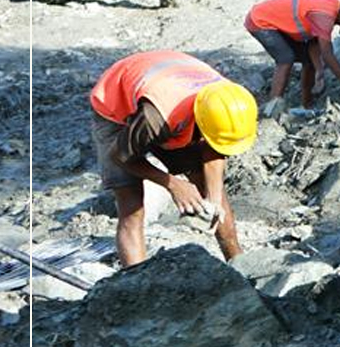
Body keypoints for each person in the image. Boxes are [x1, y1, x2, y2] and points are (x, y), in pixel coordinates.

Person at [89, 50, 257, 266]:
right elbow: (121, 157)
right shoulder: (157, 118)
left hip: (170, 86)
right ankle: (135, 281)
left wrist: (214, 196)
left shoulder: (229, 102)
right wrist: (174, 184)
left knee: (212, 190)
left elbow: (215, 145)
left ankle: (238, 264)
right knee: (132, 207)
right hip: (114, 102)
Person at [243, 0, 340, 113]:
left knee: (308, 59)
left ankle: (306, 106)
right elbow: (327, 53)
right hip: (260, 21)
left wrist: (319, 70)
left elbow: (314, 44)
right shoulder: (325, 16)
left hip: (273, 21)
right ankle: (272, 108)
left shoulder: (332, 7)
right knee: (286, 58)